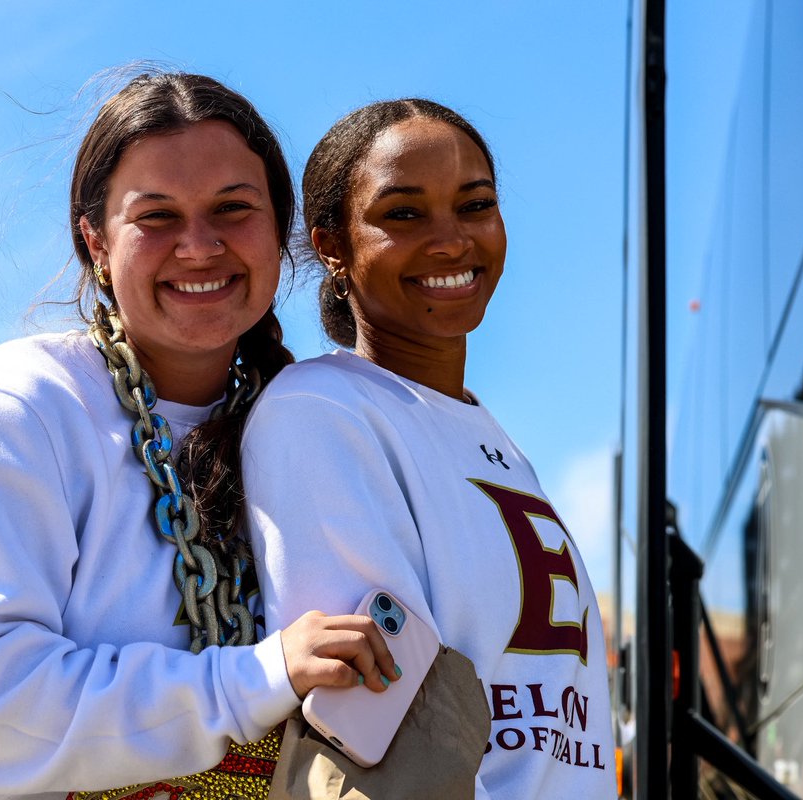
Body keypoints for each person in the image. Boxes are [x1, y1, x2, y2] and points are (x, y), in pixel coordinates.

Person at [0, 72, 397, 800]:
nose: (199, 246)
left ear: (279, 234)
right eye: (156, 216)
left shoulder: (312, 434)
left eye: (233, 208)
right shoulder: (13, 410)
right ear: (95, 240)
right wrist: (260, 675)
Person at [241, 99, 617, 798]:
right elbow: (376, 717)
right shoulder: (321, 413)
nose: (450, 241)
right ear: (332, 247)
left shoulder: (490, 436)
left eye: (474, 205)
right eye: (404, 214)